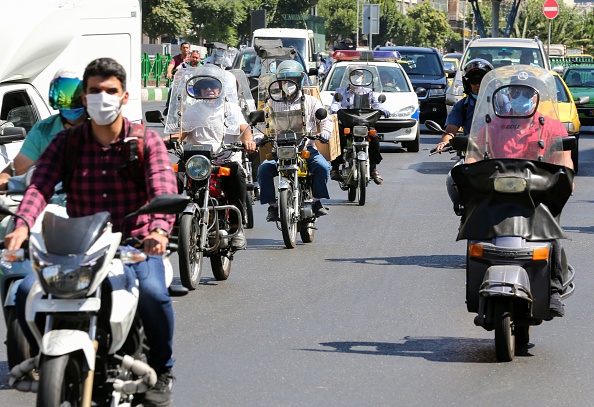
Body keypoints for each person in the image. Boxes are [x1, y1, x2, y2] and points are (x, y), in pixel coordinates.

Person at [5, 57, 179, 406]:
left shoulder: (144, 142)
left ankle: (162, 369)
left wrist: (158, 231)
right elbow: (38, 187)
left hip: (133, 244)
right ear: (83, 98)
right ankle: (46, 360)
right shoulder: (65, 143)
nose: (103, 98)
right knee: (25, 291)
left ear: (124, 96)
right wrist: (22, 225)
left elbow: (162, 189)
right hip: (79, 246)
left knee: (154, 294)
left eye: (110, 91)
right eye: (95, 91)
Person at [466, 70, 574, 318]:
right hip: (497, 192)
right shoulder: (493, 124)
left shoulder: (552, 126)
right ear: (506, 95)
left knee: (550, 232)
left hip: (536, 194)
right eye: (515, 92)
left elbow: (563, 160)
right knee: (475, 228)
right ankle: (478, 281)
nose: (520, 97)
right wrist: (468, 169)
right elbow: (474, 153)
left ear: (537, 97)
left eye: (527, 92)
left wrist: (565, 179)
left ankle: (554, 289)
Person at [180, 66, 257, 247]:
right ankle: (175, 221)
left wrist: (248, 141)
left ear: (221, 89)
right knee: (174, 174)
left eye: (213, 87)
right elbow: (180, 134)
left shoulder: (231, 109)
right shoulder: (192, 110)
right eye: (205, 87)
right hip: (198, 162)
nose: (209, 90)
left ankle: (237, 227)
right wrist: (163, 141)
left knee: (237, 176)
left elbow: (243, 130)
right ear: (198, 91)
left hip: (226, 159)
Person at [258, 60, 333, 221]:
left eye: (292, 80)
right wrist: (258, 135)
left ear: (299, 82)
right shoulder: (271, 102)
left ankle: (317, 201)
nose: (288, 84)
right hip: (280, 149)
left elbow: (326, 120)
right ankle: (272, 206)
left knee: (323, 167)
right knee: (263, 170)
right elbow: (261, 123)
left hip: (305, 148)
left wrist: (326, 132)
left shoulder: (311, 101)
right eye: (284, 81)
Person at [0, 67, 88, 190]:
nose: (68, 102)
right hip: (50, 203)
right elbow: (16, 168)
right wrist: (4, 180)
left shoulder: (99, 129)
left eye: (74, 96)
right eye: (62, 95)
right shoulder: (43, 130)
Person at [329, 69, 391, 185]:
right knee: (338, 138)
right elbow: (335, 105)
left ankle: (373, 169)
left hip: (364, 124)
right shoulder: (341, 91)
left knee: (375, 138)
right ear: (349, 78)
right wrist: (335, 110)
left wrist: (383, 110)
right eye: (354, 75)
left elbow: (377, 104)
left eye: (359, 75)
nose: (356, 78)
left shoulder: (369, 92)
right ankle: (335, 168)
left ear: (363, 78)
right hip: (347, 124)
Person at [164, 42, 191, 116]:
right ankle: (168, 107)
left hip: (190, 81)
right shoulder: (176, 58)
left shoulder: (191, 59)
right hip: (178, 80)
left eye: (187, 48)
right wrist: (169, 73)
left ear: (189, 49)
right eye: (184, 47)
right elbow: (170, 66)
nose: (185, 49)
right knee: (171, 89)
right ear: (180, 49)